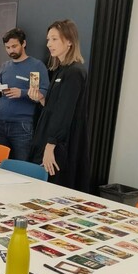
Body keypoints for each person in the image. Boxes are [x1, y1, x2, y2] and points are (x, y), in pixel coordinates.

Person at [28, 19, 90, 192]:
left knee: (54, 188)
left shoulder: (75, 72)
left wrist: (50, 146)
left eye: (54, 39)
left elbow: (65, 112)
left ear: (69, 41)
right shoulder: (59, 70)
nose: (49, 44)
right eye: (48, 39)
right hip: (49, 138)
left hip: (60, 144)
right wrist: (41, 99)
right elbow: (55, 106)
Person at [0, 28, 49, 160]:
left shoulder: (35, 66)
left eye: (14, 46)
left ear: (23, 43)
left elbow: (42, 93)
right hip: (0, 122)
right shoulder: (5, 66)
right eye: (7, 47)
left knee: (21, 165)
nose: (11, 50)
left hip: (22, 125)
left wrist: (22, 93)